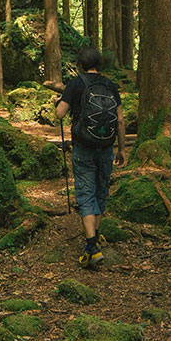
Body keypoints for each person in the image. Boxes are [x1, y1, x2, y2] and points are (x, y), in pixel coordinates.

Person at [55, 47, 126, 268]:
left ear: (80, 64)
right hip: (106, 147)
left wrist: (58, 101)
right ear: (99, 64)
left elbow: (60, 114)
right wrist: (121, 149)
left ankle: (92, 247)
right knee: (101, 190)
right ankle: (95, 235)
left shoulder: (75, 83)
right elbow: (120, 120)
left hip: (83, 147)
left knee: (86, 193)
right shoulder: (109, 85)